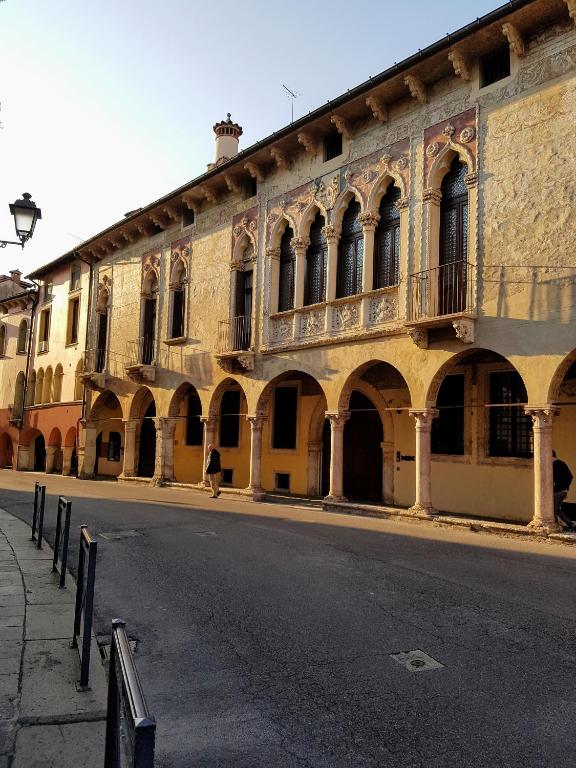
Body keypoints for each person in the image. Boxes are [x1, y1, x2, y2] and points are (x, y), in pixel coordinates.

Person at [553, 450, 573, 530]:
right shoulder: (561, 463)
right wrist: (565, 487)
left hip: (559, 492)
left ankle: (557, 526)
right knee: (555, 509)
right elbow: (570, 476)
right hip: (562, 491)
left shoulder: (556, 464)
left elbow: (569, 476)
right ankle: (570, 524)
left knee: (553, 510)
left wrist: (558, 486)